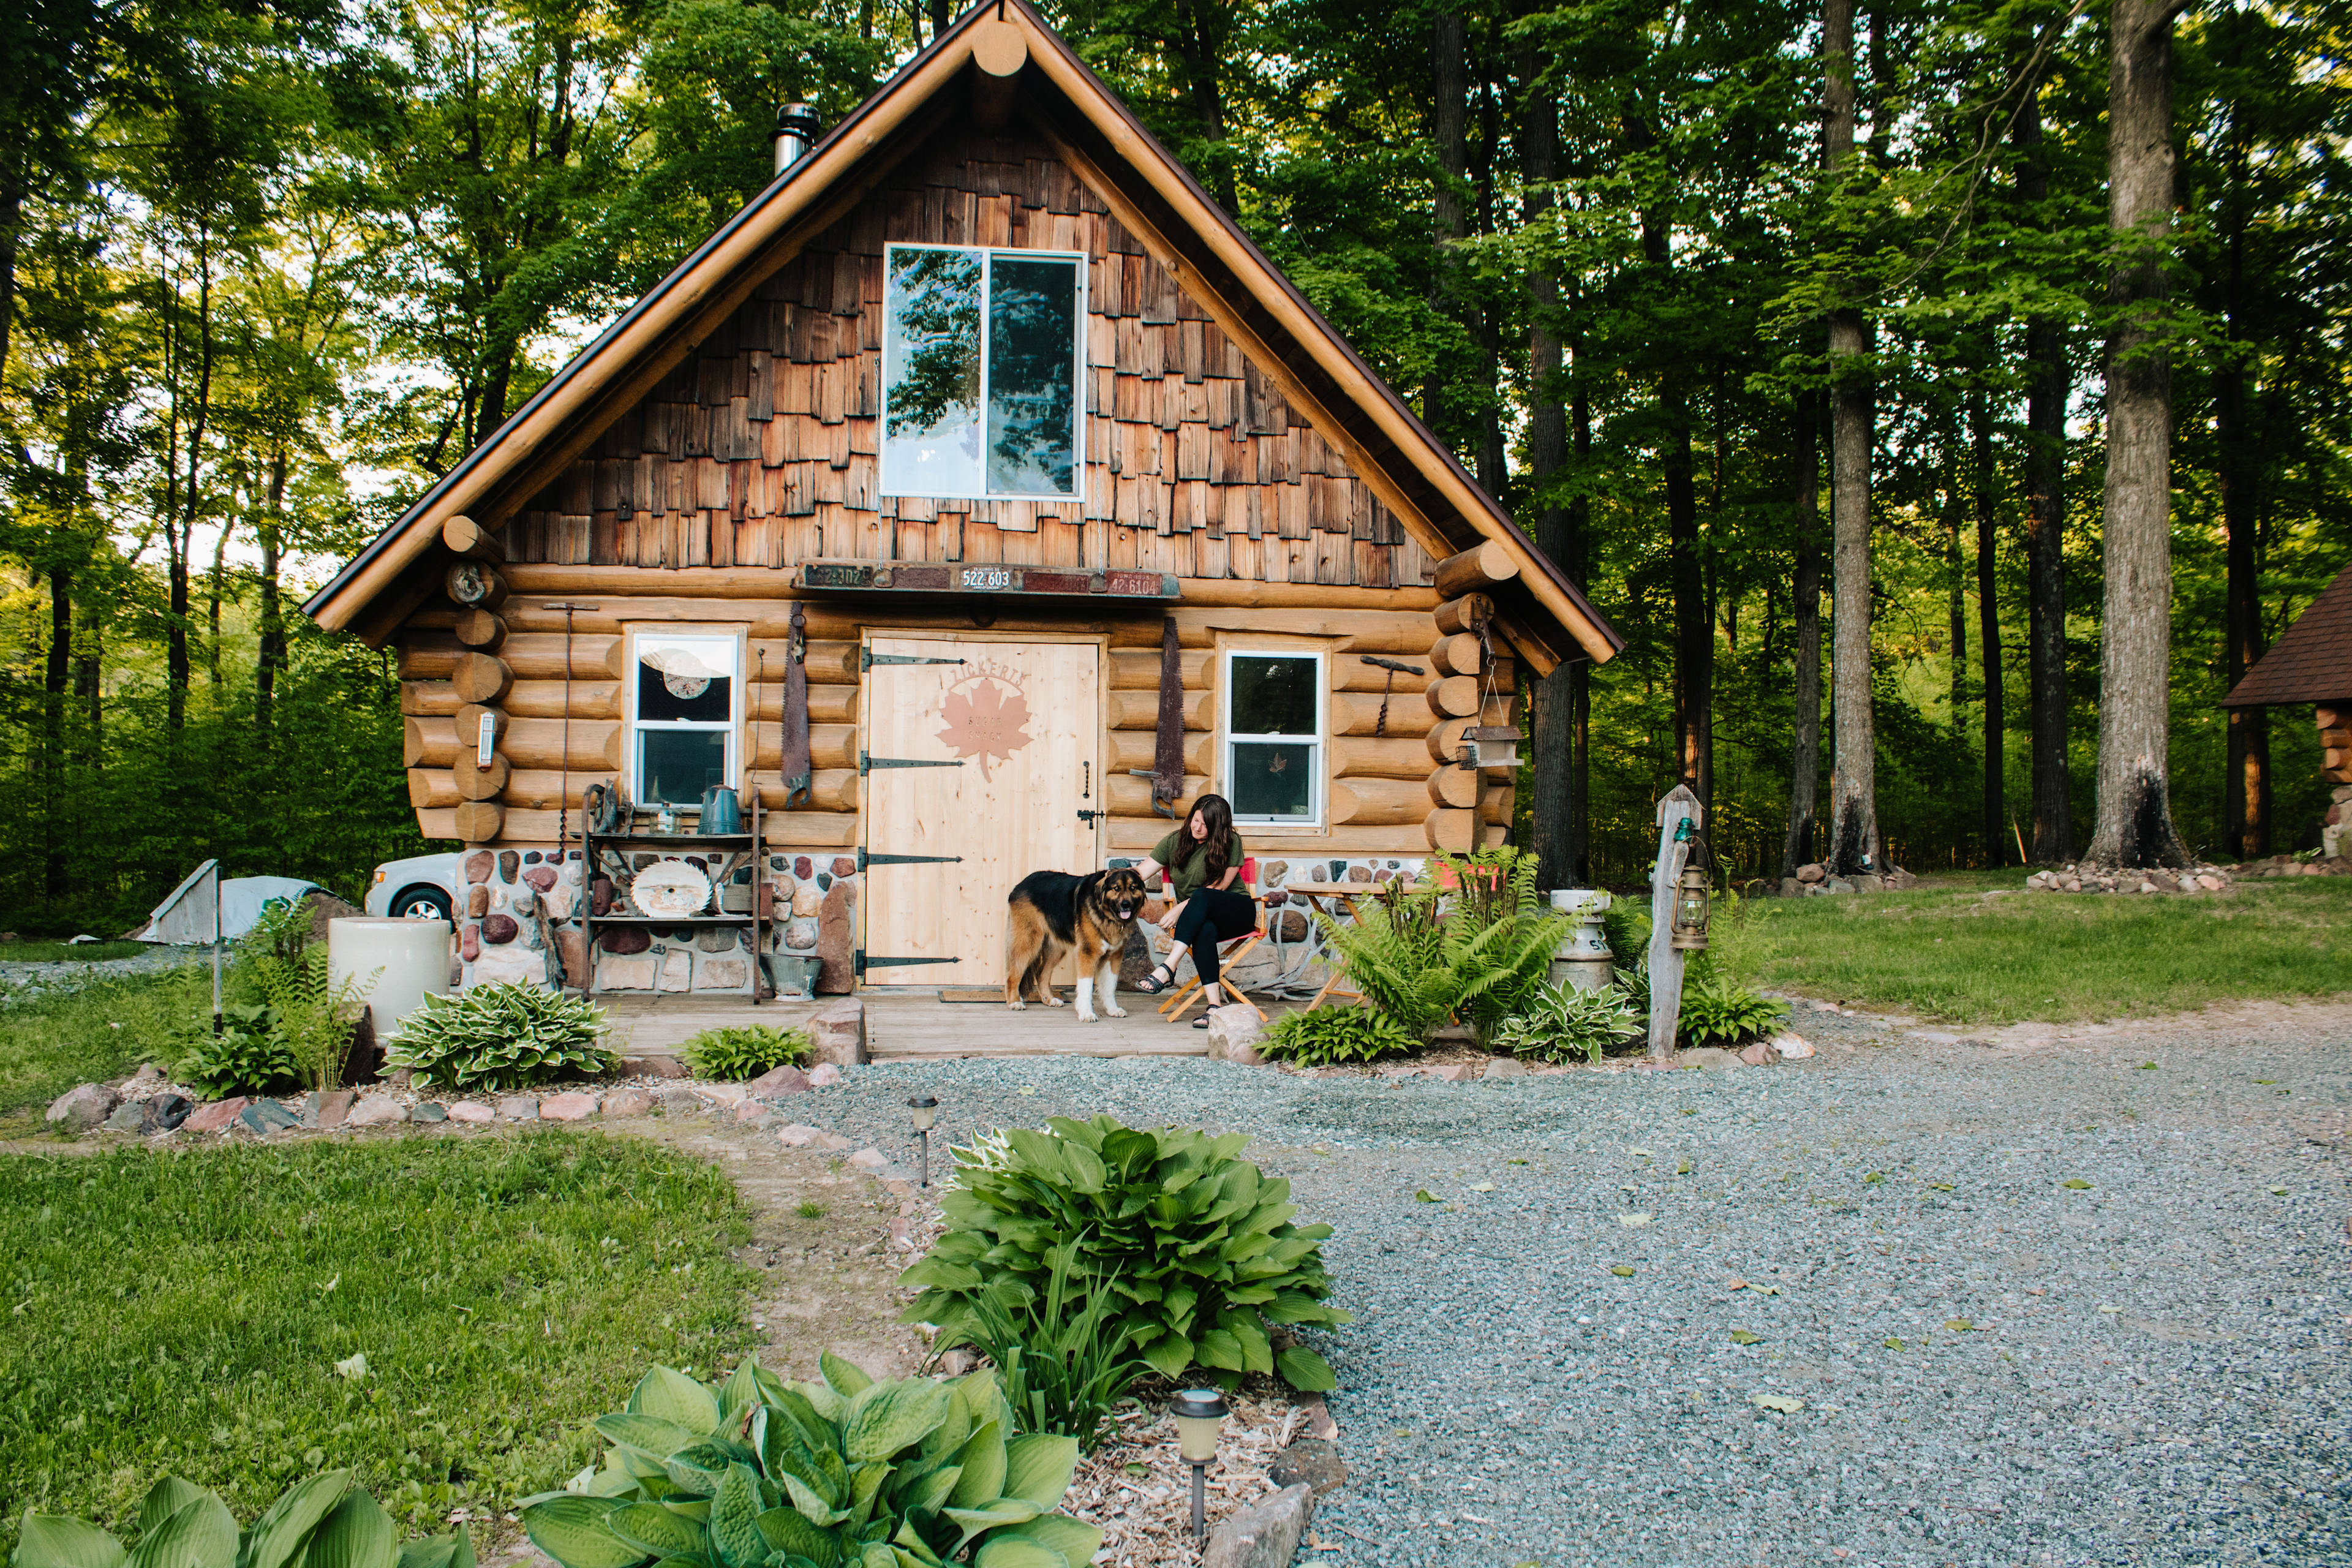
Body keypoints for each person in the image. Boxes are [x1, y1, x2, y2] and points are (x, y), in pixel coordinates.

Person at [1129, 794, 1252, 1025]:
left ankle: (1168, 967)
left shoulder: (1231, 841)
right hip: (1201, 917)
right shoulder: (1174, 842)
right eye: (1196, 820)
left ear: (1218, 828)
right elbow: (1142, 872)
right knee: (1203, 931)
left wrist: (1178, 910)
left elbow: (1220, 887)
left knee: (1202, 896)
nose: (1198, 827)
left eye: (1206, 825)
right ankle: (1214, 1008)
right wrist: (1109, 880)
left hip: (1236, 911)